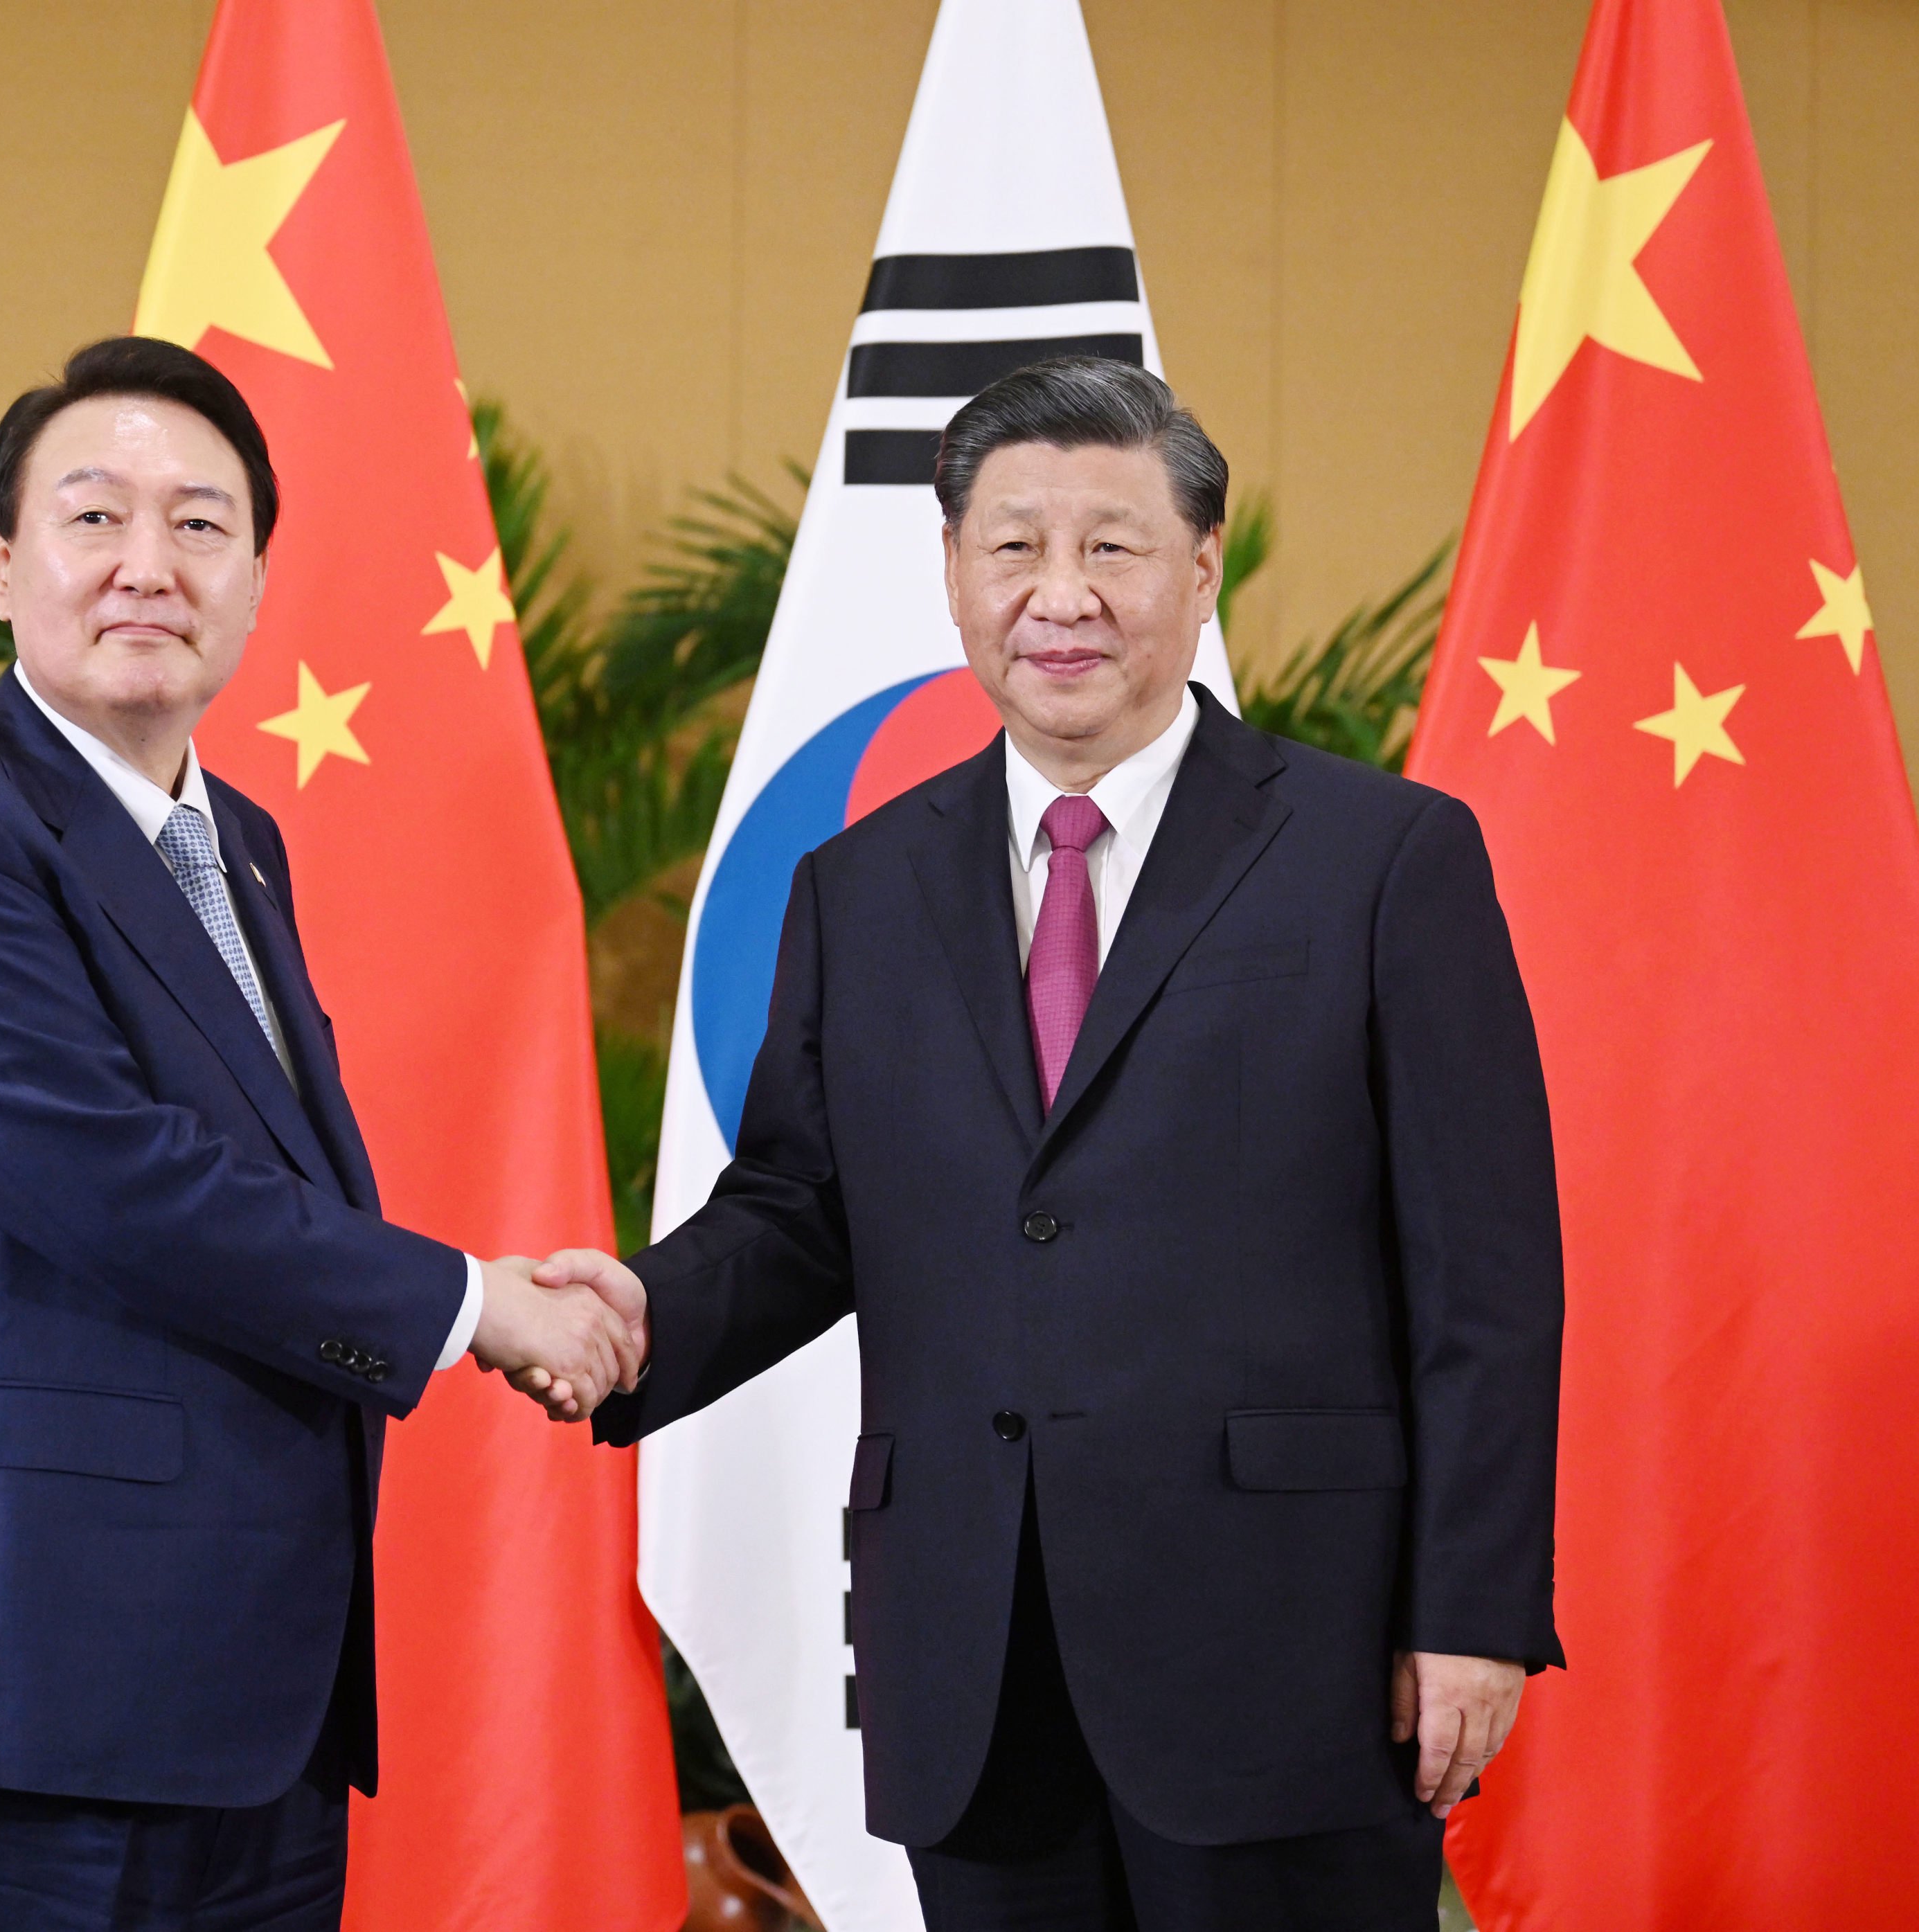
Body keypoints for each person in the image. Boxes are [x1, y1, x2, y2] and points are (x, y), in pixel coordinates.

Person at [534, 358, 1564, 1932]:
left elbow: (1482, 1274)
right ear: (953, 574)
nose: (1058, 595)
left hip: (1290, 1658)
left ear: (1201, 566)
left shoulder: (1380, 860)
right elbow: (801, 1211)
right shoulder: (857, 890)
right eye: (1011, 546)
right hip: (975, 1662)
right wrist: (622, 1328)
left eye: (1112, 545)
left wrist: (1473, 1611)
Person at [0, 335, 641, 1932]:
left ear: (254, 575)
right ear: (2, 565)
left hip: (240, 1710)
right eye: (93, 518)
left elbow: (258, 1182)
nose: (145, 567)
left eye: (199, 524)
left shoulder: (230, 840)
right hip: (8, 1703)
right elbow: (112, 1180)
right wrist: (471, 1306)